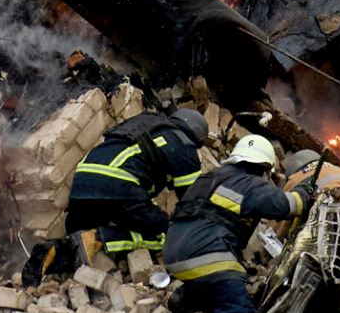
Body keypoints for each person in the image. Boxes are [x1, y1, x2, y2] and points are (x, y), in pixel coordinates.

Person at [162, 135, 313, 313]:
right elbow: (286, 206)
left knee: (218, 287)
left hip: (175, 254)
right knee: (237, 308)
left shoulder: (210, 177)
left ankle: (187, 297)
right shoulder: (250, 183)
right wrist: (304, 192)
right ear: (264, 167)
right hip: (207, 253)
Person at [21, 108, 207, 286]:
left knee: (77, 244)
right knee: (163, 232)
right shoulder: (183, 145)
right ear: (196, 136)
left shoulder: (146, 124)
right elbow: (192, 199)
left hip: (83, 182)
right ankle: (99, 239)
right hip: (119, 184)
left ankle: (53, 250)